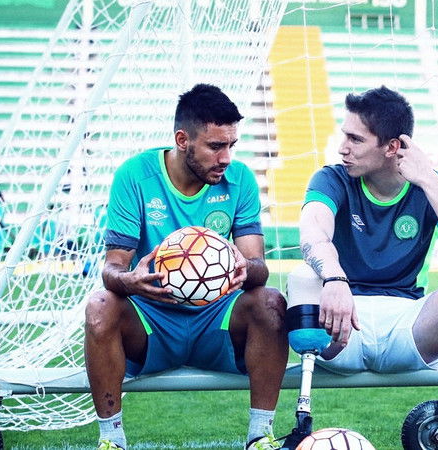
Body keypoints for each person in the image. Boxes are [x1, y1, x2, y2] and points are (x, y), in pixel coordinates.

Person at [289, 86, 438, 450]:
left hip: (410, 328)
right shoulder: (332, 178)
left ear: (392, 147)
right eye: (345, 135)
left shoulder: (434, 185)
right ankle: (295, 426)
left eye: (355, 139)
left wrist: (428, 179)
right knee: (302, 276)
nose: (342, 148)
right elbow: (312, 233)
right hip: (342, 326)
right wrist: (334, 278)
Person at [84, 84, 288, 450]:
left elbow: (258, 267)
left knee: (270, 301)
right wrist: (130, 281)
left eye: (232, 145)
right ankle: (111, 440)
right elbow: (112, 269)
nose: (226, 157)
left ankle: (260, 436)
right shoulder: (135, 176)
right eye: (216, 146)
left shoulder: (240, 179)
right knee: (99, 306)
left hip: (217, 321)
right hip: (151, 321)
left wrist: (245, 268)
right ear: (182, 140)